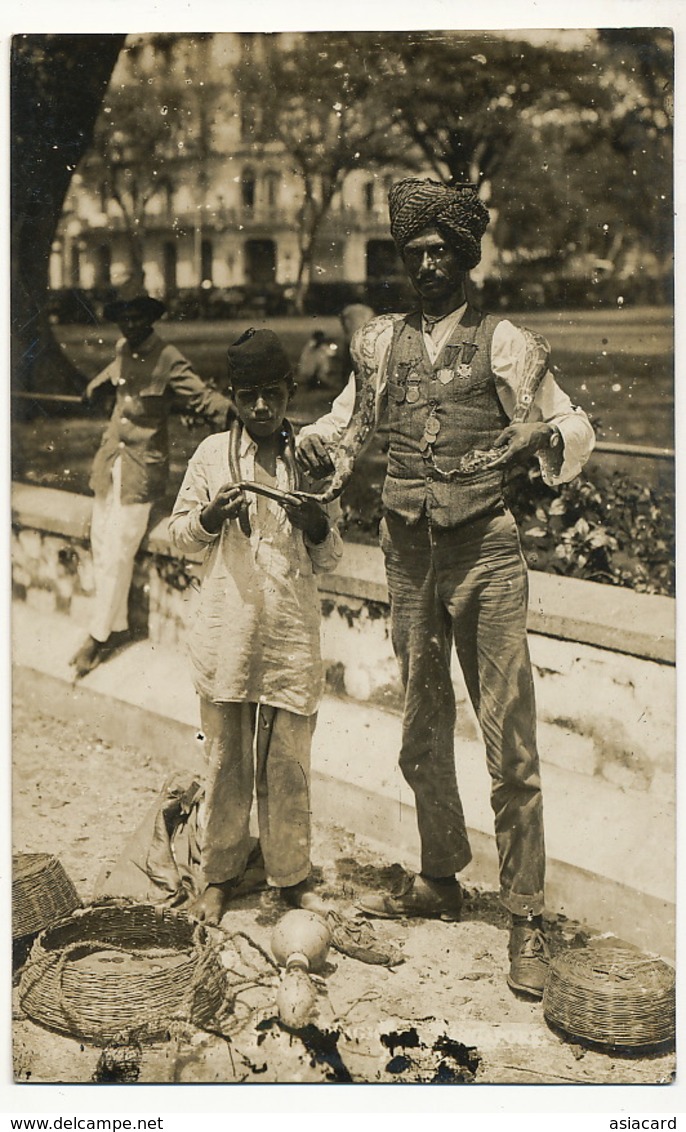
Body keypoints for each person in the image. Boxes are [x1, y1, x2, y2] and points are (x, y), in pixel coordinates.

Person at [297, 177, 595, 998]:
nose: (427, 264)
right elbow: (346, 419)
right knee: (421, 724)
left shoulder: (506, 344)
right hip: (407, 553)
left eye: (441, 252)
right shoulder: (382, 342)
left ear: (465, 259)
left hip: (486, 555)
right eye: (415, 252)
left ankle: (525, 912)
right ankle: (440, 873)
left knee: (511, 740)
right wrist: (317, 449)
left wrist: (543, 432)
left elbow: (576, 425)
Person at [167, 328, 343, 926]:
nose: (262, 408)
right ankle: (219, 874)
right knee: (224, 759)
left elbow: (333, 555)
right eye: (249, 397)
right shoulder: (213, 456)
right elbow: (178, 533)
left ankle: (291, 875)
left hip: (290, 633)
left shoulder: (312, 458)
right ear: (234, 397)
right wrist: (212, 515)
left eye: (273, 394)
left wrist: (317, 523)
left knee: (289, 760)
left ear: (291, 391)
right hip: (228, 632)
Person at [70, 278, 232, 680]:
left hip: (142, 466)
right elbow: (116, 372)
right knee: (102, 544)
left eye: (139, 316)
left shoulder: (168, 357)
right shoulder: (123, 349)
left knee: (120, 550)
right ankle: (118, 625)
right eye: (125, 317)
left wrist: (237, 415)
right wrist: (95, 385)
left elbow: (201, 397)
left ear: (152, 317)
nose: (131, 324)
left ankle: (98, 634)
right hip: (110, 461)